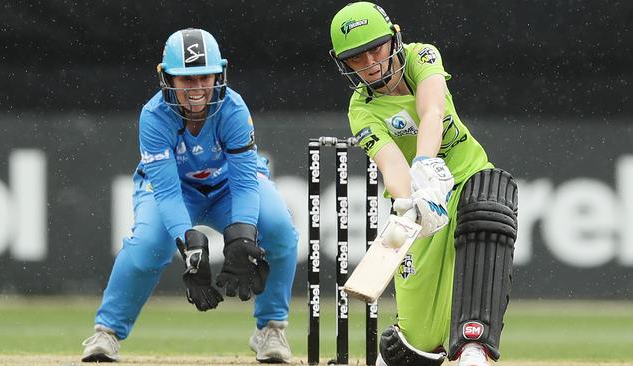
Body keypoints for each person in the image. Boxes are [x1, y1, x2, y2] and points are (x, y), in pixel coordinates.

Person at [81, 28, 297, 364]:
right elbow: (166, 192)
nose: (197, 89)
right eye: (186, 80)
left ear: (218, 74)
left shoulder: (234, 108)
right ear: (167, 79)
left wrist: (242, 233)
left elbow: (244, 181)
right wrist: (189, 244)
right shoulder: (153, 116)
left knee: (279, 229)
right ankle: (106, 332)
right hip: (175, 190)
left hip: (228, 188)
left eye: (204, 77)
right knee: (148, 246)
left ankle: (271, 328)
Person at [329, 3, 518, 366]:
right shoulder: (361, 110)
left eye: (376, 49)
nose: (369, 62)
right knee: (417, 344)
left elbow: (432, 110)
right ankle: (411, 349)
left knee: (489, 207)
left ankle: (472, 346)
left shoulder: (422, 56)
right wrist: (409, 201)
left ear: (394, 39)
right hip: (420, 202)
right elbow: (390, 164)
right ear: (344, 64)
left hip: (465, 176)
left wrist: (427, 166)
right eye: (356, 58)